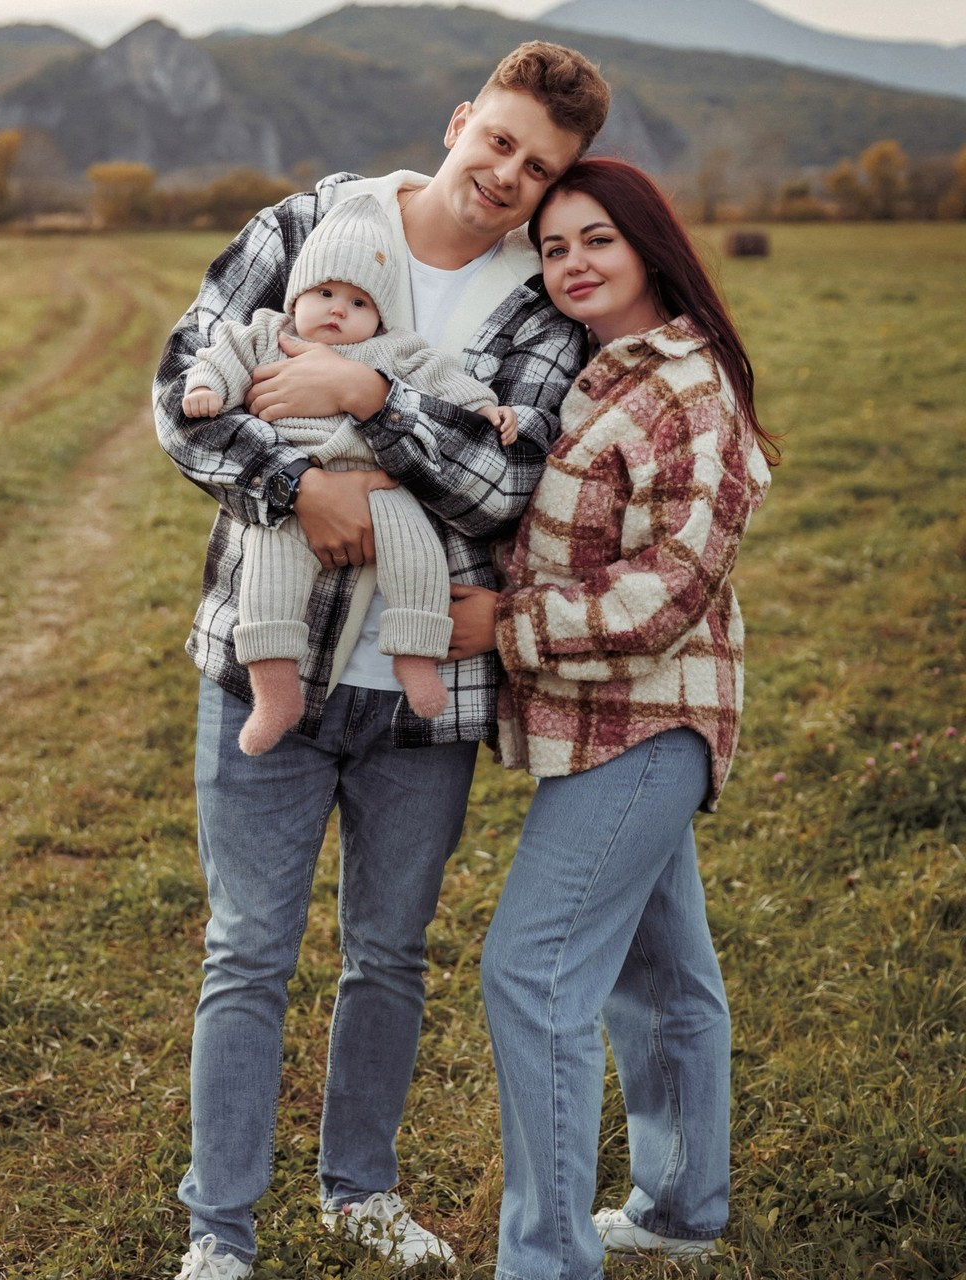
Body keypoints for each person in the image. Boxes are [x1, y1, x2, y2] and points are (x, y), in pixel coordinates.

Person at [152, 41, 610, 1280]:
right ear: (461, 117)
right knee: (245, 948)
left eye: (540, 165)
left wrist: (362, 389)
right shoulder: (310, 222)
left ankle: (359, 1189)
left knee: (388, 952)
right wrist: (297, 485)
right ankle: (219, 1229)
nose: (508, 174)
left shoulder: (538, 299)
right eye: (498, 140)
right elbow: (179, 390)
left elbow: (502, 483)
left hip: (428, 690)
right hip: (267, 659)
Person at [446, 157, 779, 1280]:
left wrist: (504, 624)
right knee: (658, 970)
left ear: (646, 244)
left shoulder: (684, 382)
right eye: (551, 248)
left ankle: (545, 1258)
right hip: (600, 718)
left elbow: (669, 590)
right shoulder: (592, 372)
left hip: (648, 721)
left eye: (595, 239)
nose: (572, 263)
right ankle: (681, 1206)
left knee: (529, 969)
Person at [182, 193, 519, 754]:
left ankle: (416, 659)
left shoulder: (390, 351)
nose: (338, 309)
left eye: (358, 302)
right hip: (292, 491)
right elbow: (220, 355)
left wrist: (486, 406)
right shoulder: (268, 334)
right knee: (267, 572)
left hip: (384, 480)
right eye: (324, 293)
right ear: (298, 296)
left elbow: (443, 379)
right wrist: (206, 388)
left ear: (378, 315)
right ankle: (275, 689)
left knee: (418, 553)